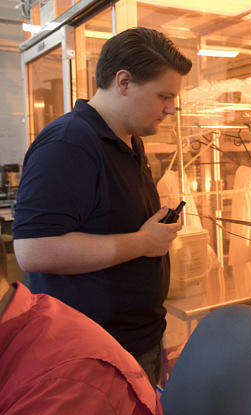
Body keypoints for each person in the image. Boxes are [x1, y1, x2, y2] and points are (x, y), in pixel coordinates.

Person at [12, 27, 192, 386]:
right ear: (123, 81)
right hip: (90, 358)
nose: (171, 109)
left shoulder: (129, 140)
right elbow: (34, 250)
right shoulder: (69, 143)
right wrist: (143, 243)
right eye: (163, 96)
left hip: (134, 343)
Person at [0, 242, 170, 415]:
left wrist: (145, 241)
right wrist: (145, 241)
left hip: (131, 334)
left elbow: (32, 251)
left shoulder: (65, 387)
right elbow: (31, 251)